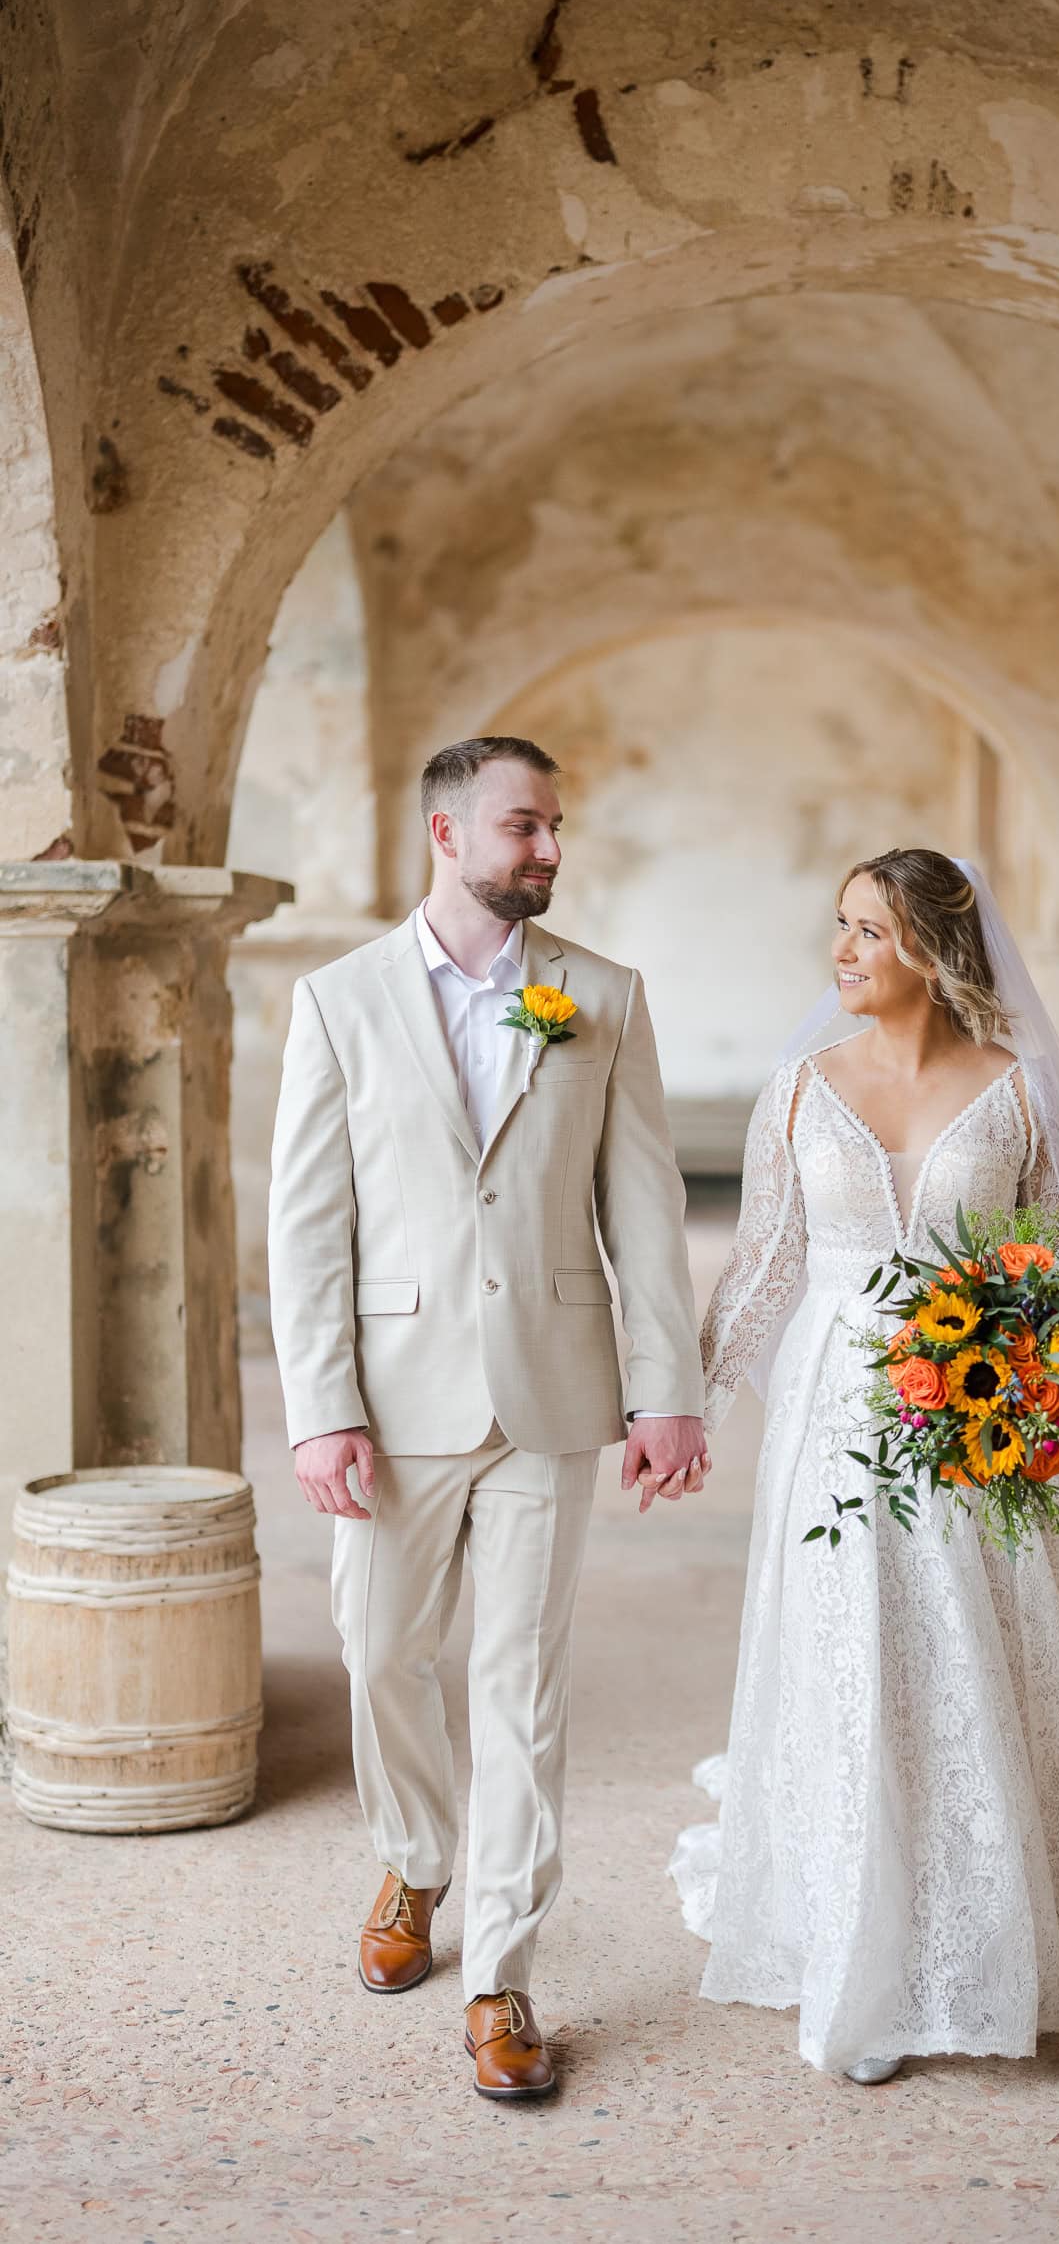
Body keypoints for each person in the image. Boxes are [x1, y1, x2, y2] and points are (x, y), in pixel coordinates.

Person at [677, 848, 1059, 2080]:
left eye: (870, 933)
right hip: (836, 1415)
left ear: (939, 954)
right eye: (839, 926)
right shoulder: (799, 1090)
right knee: (851, 1644)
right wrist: (683, 1409)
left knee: (970, 1643)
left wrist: (1044, 1379)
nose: (842, 952)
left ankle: (987, 1921)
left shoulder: (1019, 1092)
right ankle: (854, 1935)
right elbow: (765, 1266)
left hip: (979, 1412)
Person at [268, 734, 708, 2101]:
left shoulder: (603, 996)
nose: (550, 849)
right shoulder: (337, 1001)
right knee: (379, 1646)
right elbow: (307, 1225)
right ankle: (415, 1852)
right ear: (447, 835)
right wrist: (320, 1406)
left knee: (522, 1682)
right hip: (391, 1404)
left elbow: (643, 1208)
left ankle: (502, 1970)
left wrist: (668, 1388)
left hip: (549, 1393)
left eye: (556, 827)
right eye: (525, 825)